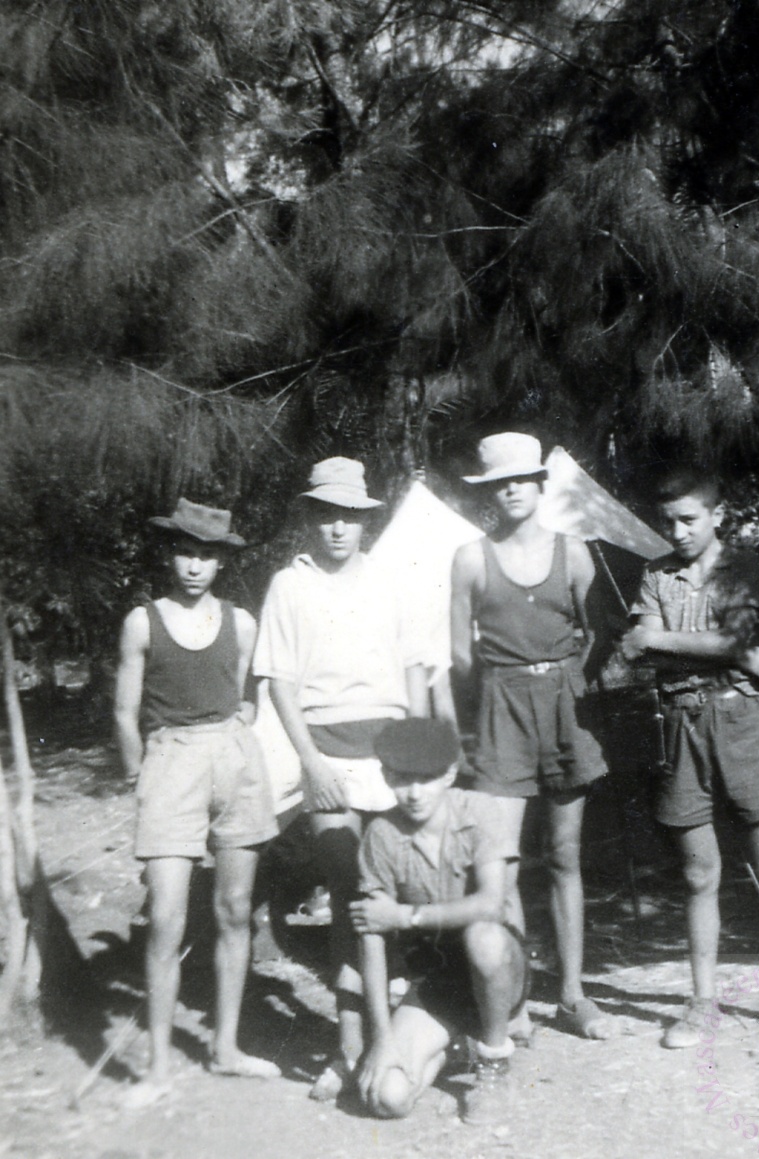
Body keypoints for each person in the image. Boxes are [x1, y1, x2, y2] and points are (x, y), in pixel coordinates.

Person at [620, 468, 759, 1048]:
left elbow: (732, 637)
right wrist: (728, 652)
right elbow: (646, 651)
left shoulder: (747, 565)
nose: (678, 531)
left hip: (739, 723)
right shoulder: (655, 574)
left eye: (689, 519)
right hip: (679, 727)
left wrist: (665, 641)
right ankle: (702, 1002)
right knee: (698, 872)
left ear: (717, 515)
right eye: (668, 522)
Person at [253, 457, 428, 1100]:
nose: (336, 529)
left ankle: (404, 1035)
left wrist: (418, 752)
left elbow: (414, 670)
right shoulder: (288, 586)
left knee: (395, 890)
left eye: (348, 517)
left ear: (364, 521)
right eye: (325, 515)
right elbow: (278, 684)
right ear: (309, 519)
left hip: (388, 749)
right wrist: (312, 764)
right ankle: (349, 1047)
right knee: (346, 894)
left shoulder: (389, 581)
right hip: (326, 753)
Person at [114, 499, 280, 1109]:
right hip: (170, 761)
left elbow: (247, 695)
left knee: (236, 909)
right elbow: (123, 713)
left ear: (222, 561)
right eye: (185, 551)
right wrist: (141, 776)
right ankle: (158, 1067)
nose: (194, 565)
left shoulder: (241, 622)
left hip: (232, 760)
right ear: (169, 553)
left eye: (206, 554)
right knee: (165, 918)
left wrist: (245, 717)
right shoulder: (143, 621)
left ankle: (226, 1048)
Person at [450, 432, 608, 1040]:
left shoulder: (573, 554)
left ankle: (572, 994)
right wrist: (485, 714)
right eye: (497, 482)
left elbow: (600, 635)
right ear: (488, 492)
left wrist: (570, 685)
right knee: (503, 864)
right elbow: (459, 657)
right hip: (500, 711)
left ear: (540, 485)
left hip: (563, 708)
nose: (510, 489)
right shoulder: (469, 558)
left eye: (520, 478)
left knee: (565, 855)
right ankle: (513, 1002)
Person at [350, 718, 528, 1126]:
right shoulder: (381, 834)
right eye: (401, 779)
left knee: (484, 938)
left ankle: (494, 1061)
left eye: (426, 779)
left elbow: (492, 905)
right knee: (386, 1098)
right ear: (385, 775)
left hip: (500, 968)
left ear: (449, 773)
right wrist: (381, 1041)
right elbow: (371, 935)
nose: (413, 793)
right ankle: (453, 1045)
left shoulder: (478, 810)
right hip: (439, 983)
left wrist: (407, 916)